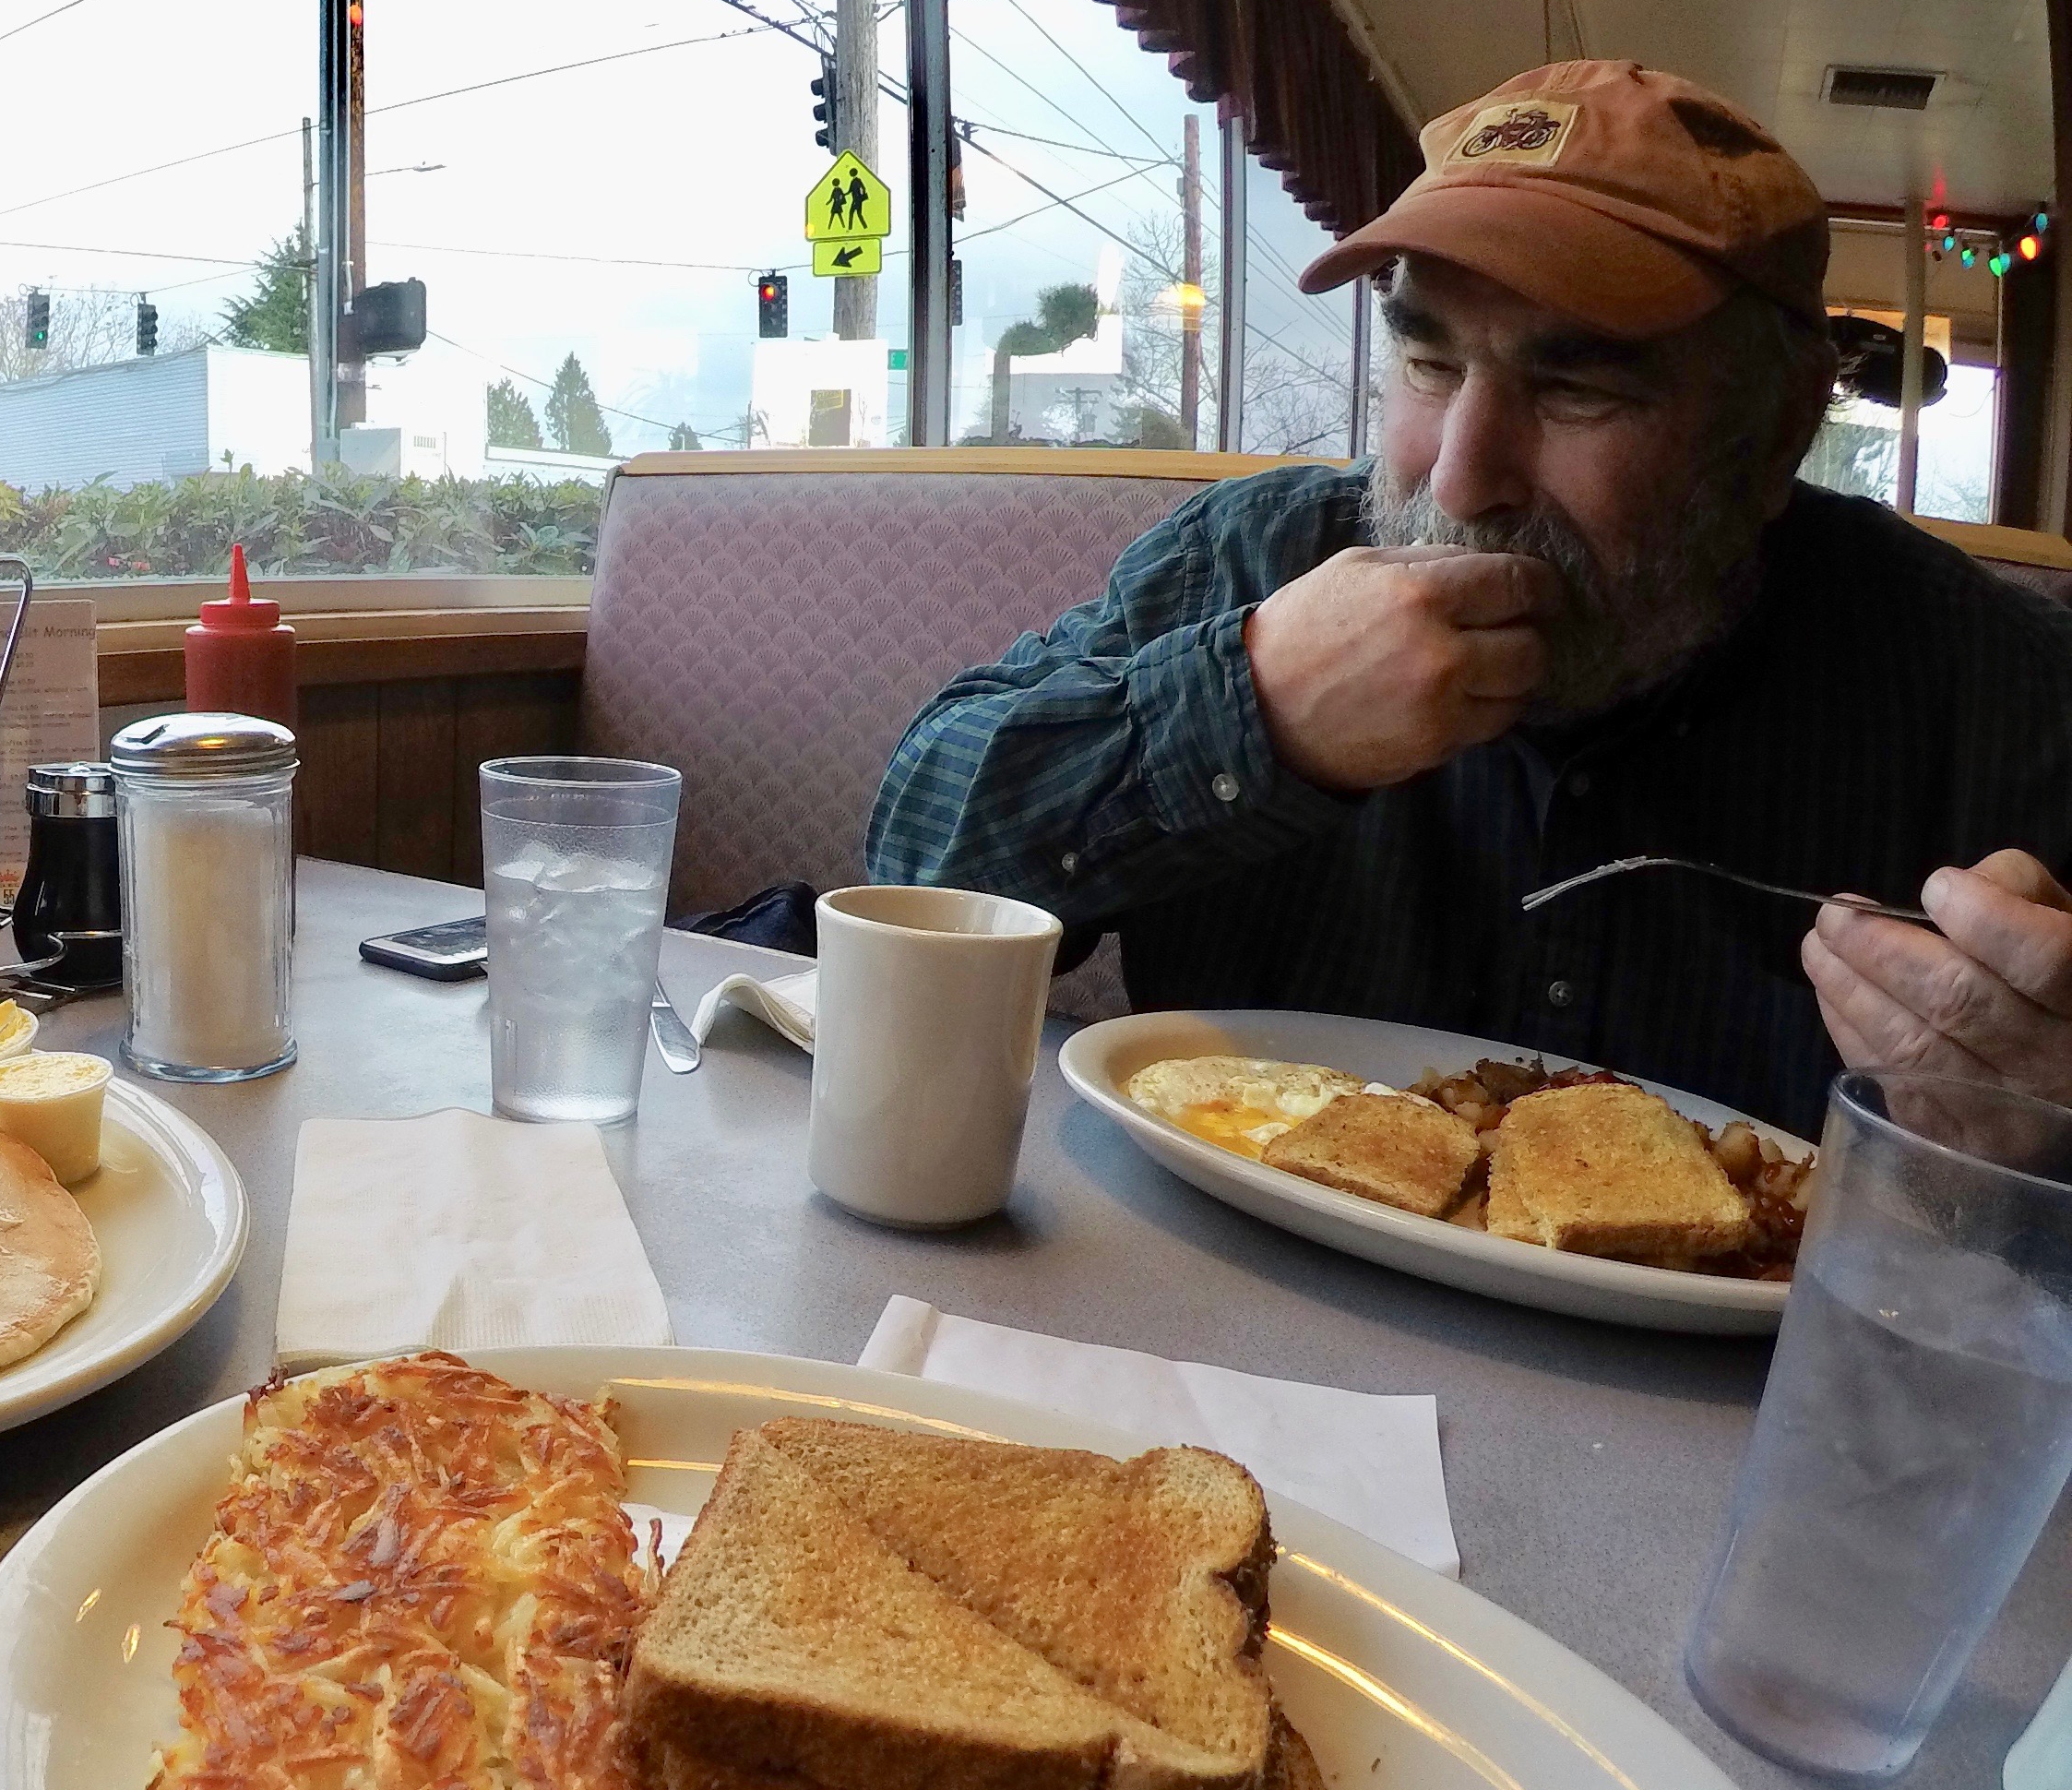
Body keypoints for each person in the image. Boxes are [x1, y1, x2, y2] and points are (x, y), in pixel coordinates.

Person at [869, 59, 2072, 1139]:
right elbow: (915, 855)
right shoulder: (1252, 565)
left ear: (1773, 437)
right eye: (1431, 364)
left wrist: (2049, 1124)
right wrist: (1255, 715)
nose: (1461, 477)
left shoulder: (1997, 700)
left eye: (1575, 387)